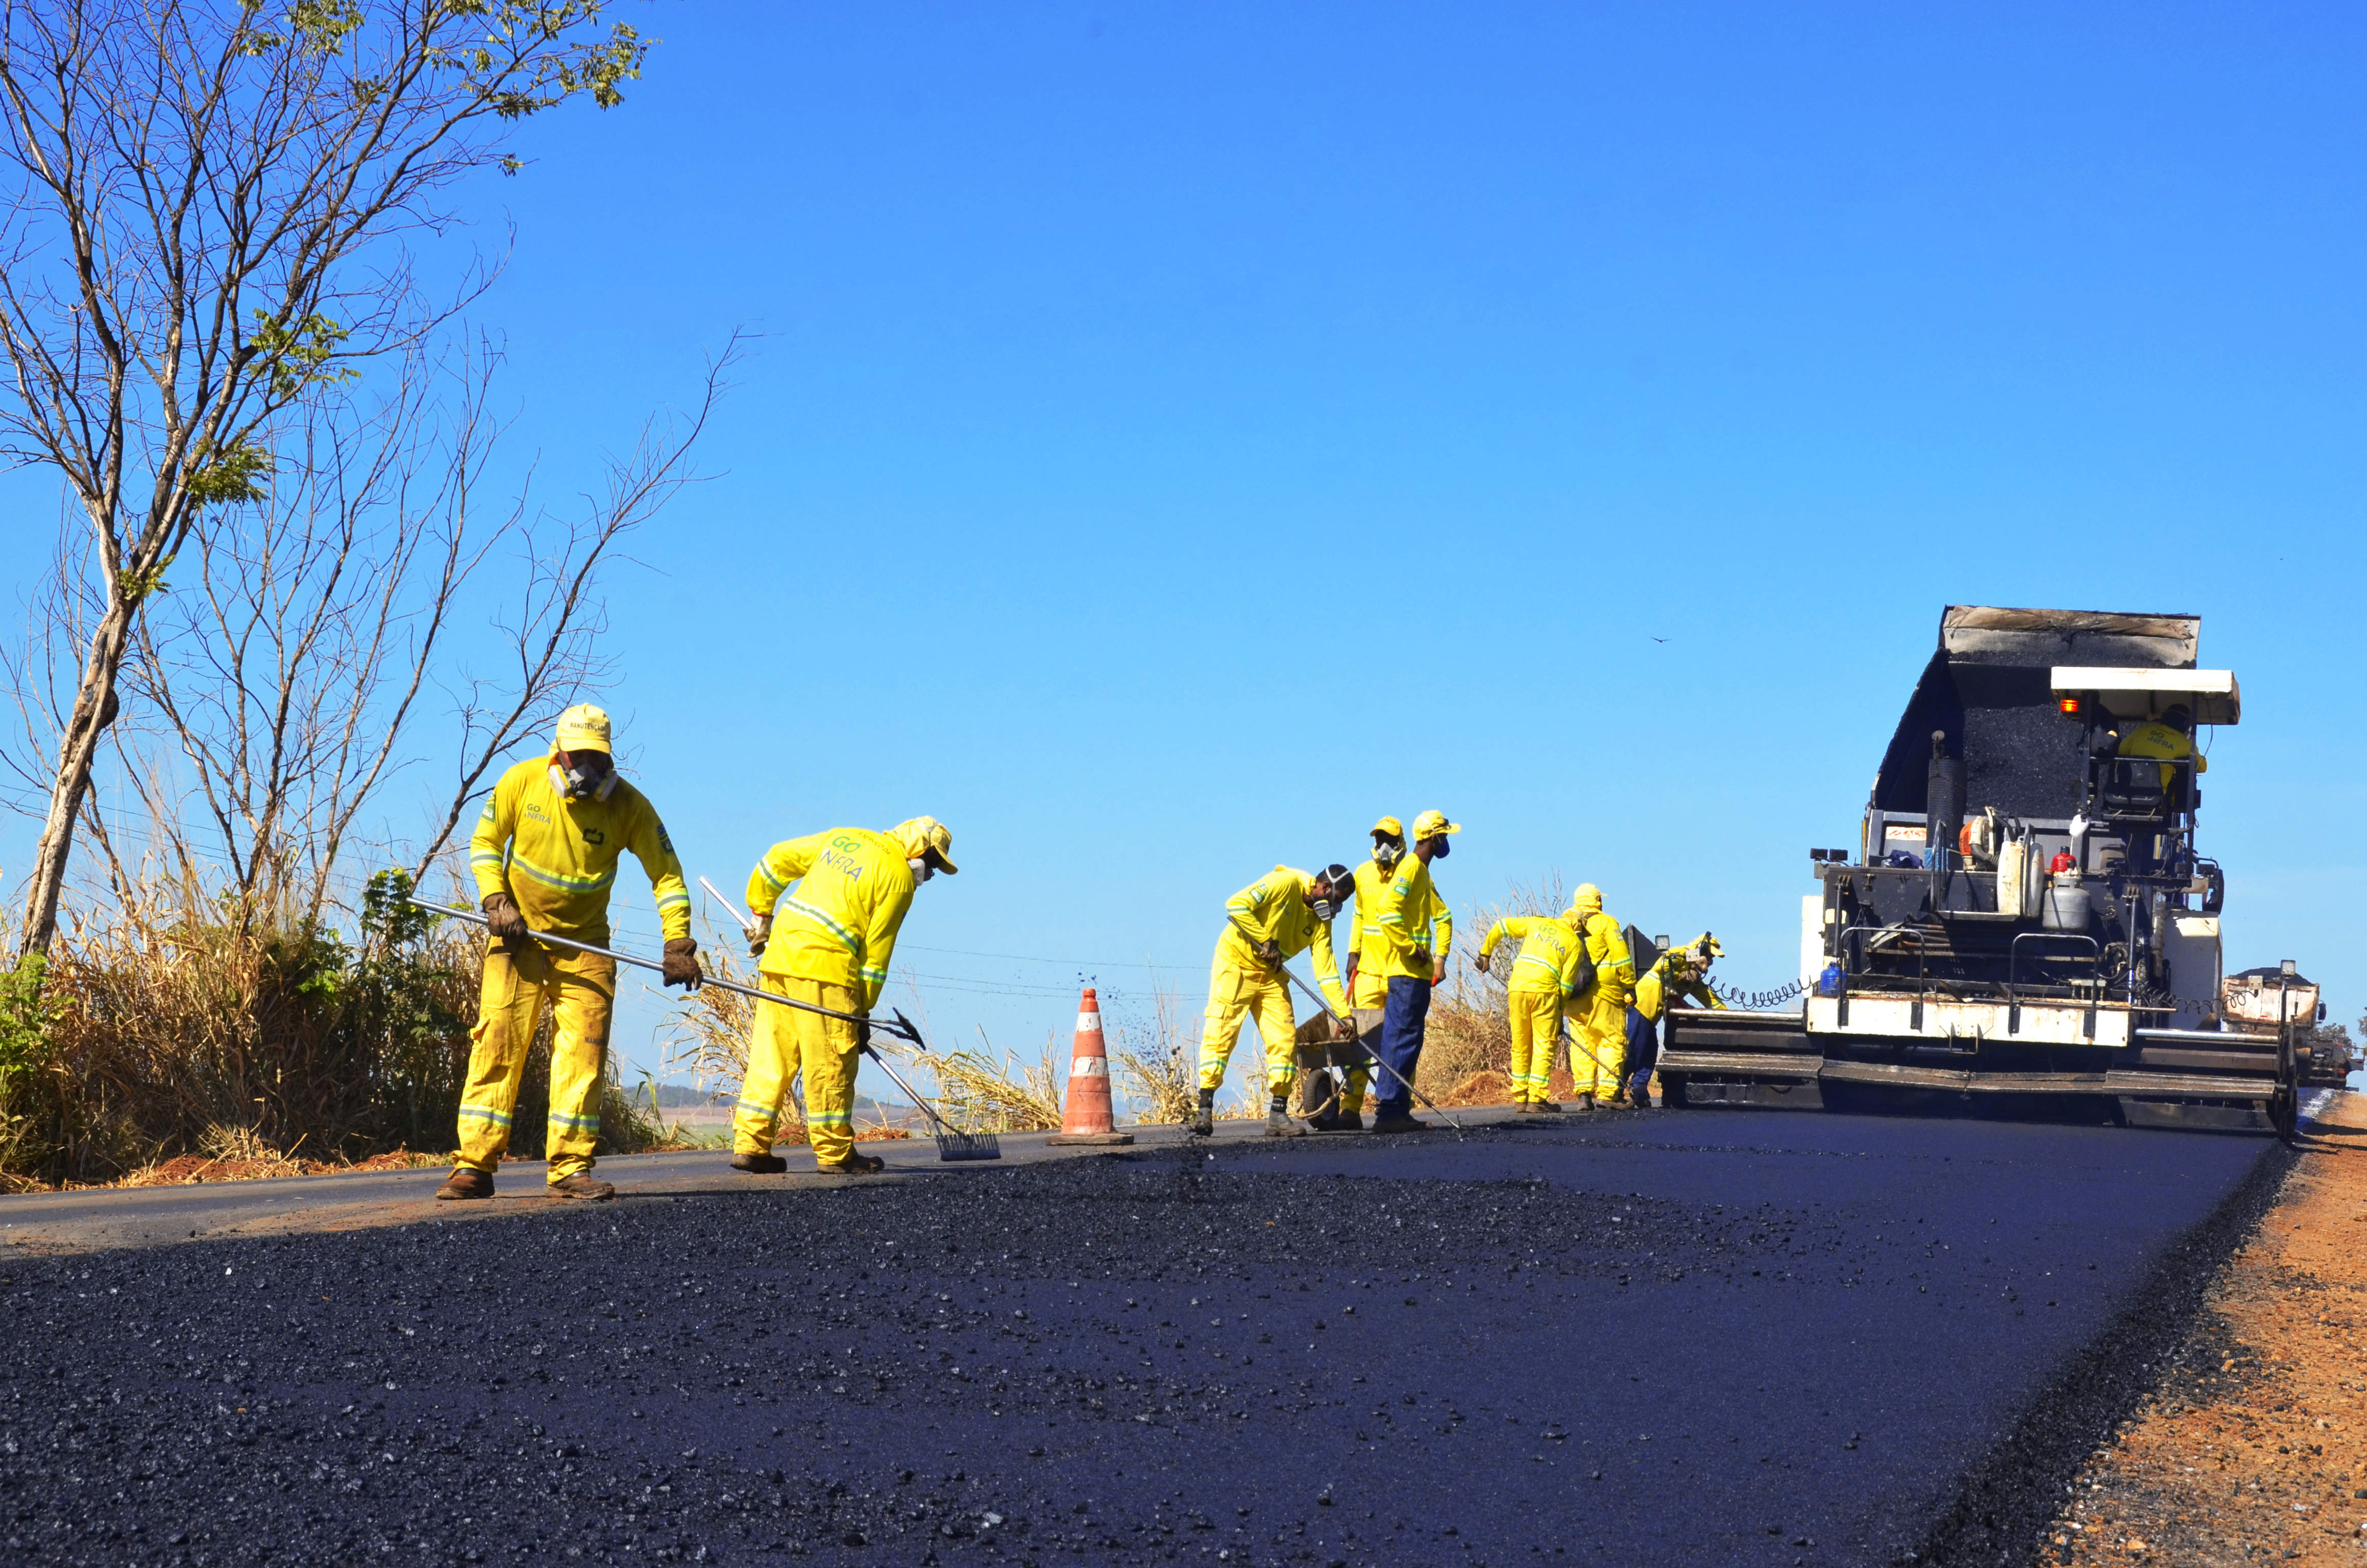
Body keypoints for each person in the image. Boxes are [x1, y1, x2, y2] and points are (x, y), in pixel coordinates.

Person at [438, 704, 701, 1203]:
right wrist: (496, 901)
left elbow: (666, 875)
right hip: (516, 940)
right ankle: (473, 1167)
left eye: (594, 758)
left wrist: (677, 942)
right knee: (496, 1045)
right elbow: (485, 841)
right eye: (575, 755)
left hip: (585, 947)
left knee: (583, 1052)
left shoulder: (629, 806)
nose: (584, 768)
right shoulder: (521, 782)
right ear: (558, 751)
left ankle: (570, 1167)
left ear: (608, 759)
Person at [730, 818, 957, 1175]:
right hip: (828, 970)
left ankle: (750, 1145)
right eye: (931, 867)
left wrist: (762, 913)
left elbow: (775, 860)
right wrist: (861, 1014)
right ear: (919, 852)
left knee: (771, 1056)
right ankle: (835, 1154)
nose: (927, 876)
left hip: (781, 957)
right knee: (831, 1064)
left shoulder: (844, 838)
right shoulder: (898, 879)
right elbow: (875, 960)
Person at [1194, 863, 1355, 1137]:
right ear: (1324, 888)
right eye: (1337, 901)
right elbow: (1236, 905)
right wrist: (1265, 939)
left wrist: (1344, 1013)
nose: (1336, 910)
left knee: (1284, 1040)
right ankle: (1205, 1109)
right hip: (1236, 964)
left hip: (1273, 975)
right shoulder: (1285, 883)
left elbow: (1326, 971)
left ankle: (1278, 1115)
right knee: (1222, 1033)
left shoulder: (1321, 922)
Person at [1308, 817, 1406, 1131]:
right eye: (1379, 840)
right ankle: (1350, 1108)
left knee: (1400, 1042)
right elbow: (1360, 916)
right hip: (1366, 973)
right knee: (1357, 1043)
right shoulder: (1363, 873)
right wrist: (1353, 952)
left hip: (1399, 972)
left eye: (1389, 840)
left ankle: (1397, 1107)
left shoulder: (1411, 872)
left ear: (1400, 843)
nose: (1383, 847)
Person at [1366, 810, 1458, 1134]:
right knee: (1399, 1037)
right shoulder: (1410, 867)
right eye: (1444, 836)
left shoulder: (1421, 871)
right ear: (1434, 837)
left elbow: (1443, 917)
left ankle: (1399, 1108)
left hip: (1416, 973)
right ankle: (1389, 1110)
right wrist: (1410, 947)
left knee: (1410, 1039)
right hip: (1405, 970)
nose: (1446, 842)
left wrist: (1437, 960)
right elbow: (1386, 910)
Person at [1475, 901, 1591, 1112]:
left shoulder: (1536, 923)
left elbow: (1501, 926)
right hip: (1545, 994)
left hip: (1518, 989)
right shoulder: (1574, 943)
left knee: (1520, 1045)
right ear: (1578, 926)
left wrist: (1486, 953)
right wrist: (1559, 1011)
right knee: (1543, 1046)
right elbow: (1566, 984)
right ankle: (1536, 1099)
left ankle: (1521, 1099)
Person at [1624, 934, 1726, 1108]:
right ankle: (1615, 1088)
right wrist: (1685, 968)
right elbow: (1666, 963)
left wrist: (1726, 1016)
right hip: (1643, 1002)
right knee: (1635, 1046)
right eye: (1709, 957)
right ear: (1700, 950)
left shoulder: (1693, 980)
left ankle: (1639, 1088)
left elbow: (1711, 1000)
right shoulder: (1679, 956)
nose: (1710, 963)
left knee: (1650, 1050)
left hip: (1652, 1013)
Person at [1565, 884, 1635, 1109]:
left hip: (1574, 989)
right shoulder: (1607, 922)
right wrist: (1629, 985)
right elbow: (1621, 957)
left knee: (1580, 1042)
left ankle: (1584, 1095)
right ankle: (1607, 1095)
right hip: (1604, 990)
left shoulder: (1566, 923)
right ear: (1598, 901)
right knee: (1610, 1040)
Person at [2117, 703, 2207, 798]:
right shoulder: (2186, 745)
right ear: (2185, 725)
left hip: (2126, 792)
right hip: (2157, 798)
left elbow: (2122, 752)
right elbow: (2202, 768)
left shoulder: (2142, 731)